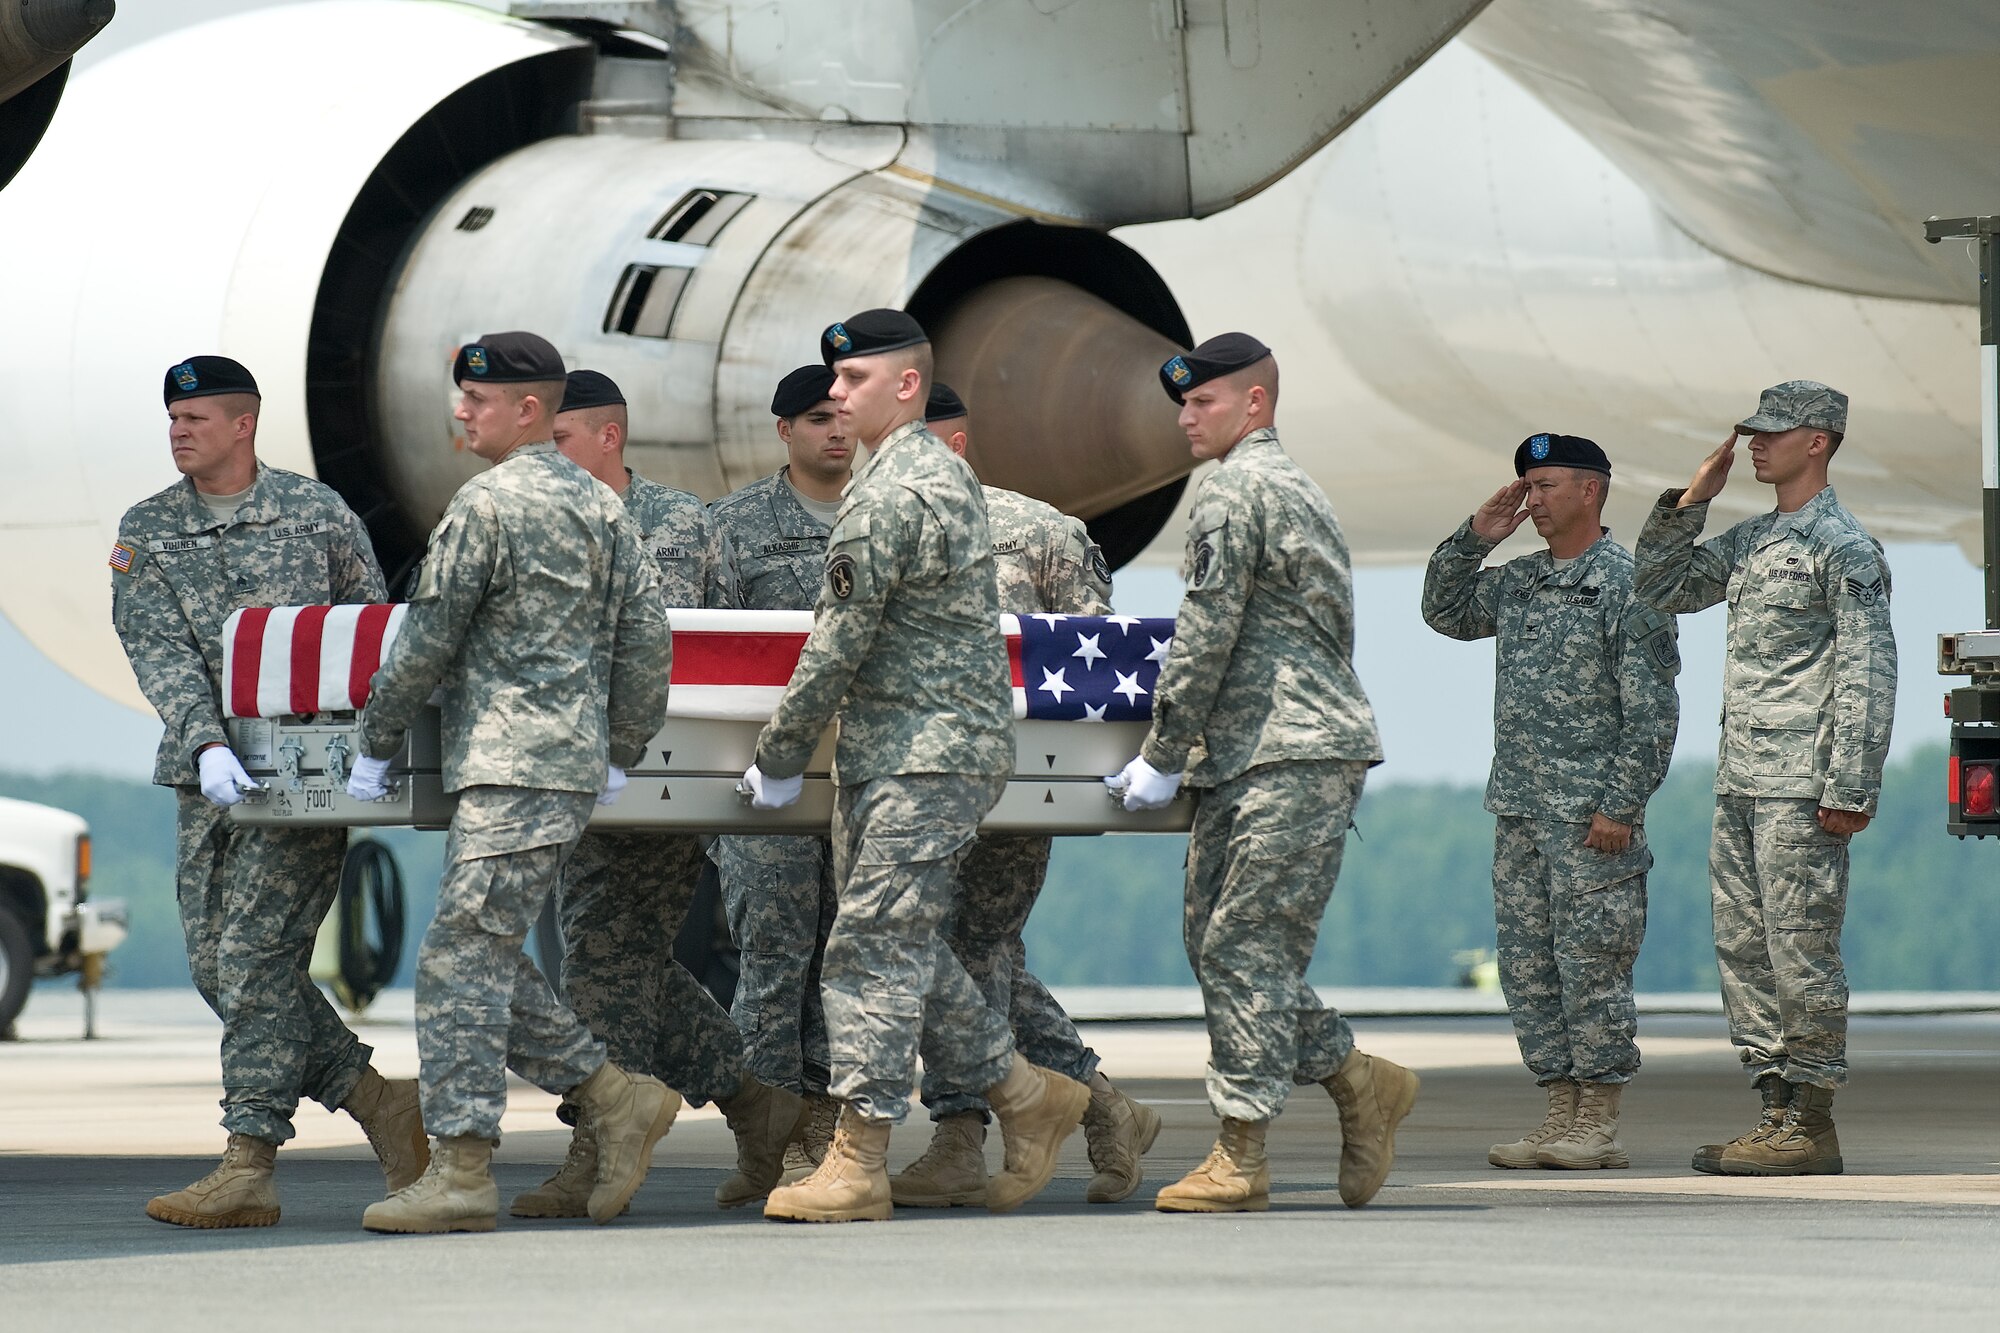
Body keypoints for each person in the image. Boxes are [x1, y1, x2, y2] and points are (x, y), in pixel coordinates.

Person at [741, 309, 1089, 1223]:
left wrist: (779, 752)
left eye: (852, 382)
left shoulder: (895, 488)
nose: (836, 397)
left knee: (869, 947)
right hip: (902, 747)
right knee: (901, 943)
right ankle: (1024, 1091)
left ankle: (859, 1155)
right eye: (831, 385)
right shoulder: (911, 474)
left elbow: (838, 639)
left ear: (904, 386)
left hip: (922, 753)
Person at [348, 332, 677, 1233]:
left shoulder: (486, 506)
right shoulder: (608, 510)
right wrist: (623, 744)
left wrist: (375, 738)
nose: (461, 412)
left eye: (478, 400)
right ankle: (615, 1096)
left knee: (461, 953)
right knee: (482, 947)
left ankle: (462, 1168)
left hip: (510, 762)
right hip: (565, 766)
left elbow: (427, 637)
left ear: (529, 410)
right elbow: (649, 641)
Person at [111, 355, 425, 1230]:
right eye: (174, 418)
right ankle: (376, 1098)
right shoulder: (149, 530)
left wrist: (370, 746)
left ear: (244, 424)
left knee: (254, 961)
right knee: (218, 968)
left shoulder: (317, 514)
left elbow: (369, 629)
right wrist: (206, 741)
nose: (180, 431)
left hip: (302, 780)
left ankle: (248, 1159)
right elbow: (157, 648)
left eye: (198, 418)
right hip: (205, 775)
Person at [1107, 332, 1418, 1214]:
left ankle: (1241, 1153)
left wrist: (1161, 755)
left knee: (1243, 948)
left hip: (1289, 750)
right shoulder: (1285, 486)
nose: (1183, 418)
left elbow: (1205, 633)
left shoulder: (1236, 491)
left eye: (1202, 402)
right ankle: (1358, 1078)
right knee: (1224, 945)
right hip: (1262, 748)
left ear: (1253, 404)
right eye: (1182, 401)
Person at [504, 368, 805, 1219]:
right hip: (566, 770)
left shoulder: (680, 524)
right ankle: (754, 1098)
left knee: (599, 957)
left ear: (609, 436)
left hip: (658, 774)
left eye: (560, 439)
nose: (547, 456)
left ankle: (593, 1146)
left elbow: (709, 648)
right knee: (625, 960)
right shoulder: (535, 519)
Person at [891, 383, 1162, 1208]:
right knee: (971, 954)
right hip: (914, 779)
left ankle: (960, 1136)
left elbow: (1101, 662)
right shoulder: (880, 521)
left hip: (1015, 789)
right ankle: (1100, 1104)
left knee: (966, 947)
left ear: (956, 444)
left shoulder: (1043, 530)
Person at [1635, 381, 1895, 1177]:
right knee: (1745, 949)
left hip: (1801, 786)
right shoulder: (1751, 541)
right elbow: (1660, 587)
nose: (1756, 443)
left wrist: (1851, 783)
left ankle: (1812, 1122)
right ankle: (1773, 1110)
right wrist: (1688, 501)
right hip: (1742, 779)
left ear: (1818, 441)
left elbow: (1867, 669)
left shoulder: (1843, 548)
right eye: (1752, 432)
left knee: (1800, 948)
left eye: (1774, 433)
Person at [1421, 434, 1680, 1170]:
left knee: (1591, 964)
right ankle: (1558, 1111)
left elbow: (1652, 708)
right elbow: (1444, 610)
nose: (1532, 500)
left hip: (1591, 817)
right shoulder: (1522, 580)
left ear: (1592, 490)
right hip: (1523, 810)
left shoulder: (1631, 582)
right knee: (1529, 966)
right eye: (1527, 487)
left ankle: (1598, 1118)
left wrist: (1621, 805)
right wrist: (1475, 538)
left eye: (1546, 486)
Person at [707, 364, 853, 1183]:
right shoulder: (734, 526)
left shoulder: (881, 515)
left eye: (842, 415)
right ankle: (765, 1134)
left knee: (841, 951)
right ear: (783, 432)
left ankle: (824, 1128)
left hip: (856, 775)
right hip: (765, 779)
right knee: (770, 948)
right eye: (816, 418)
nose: (835, 429)